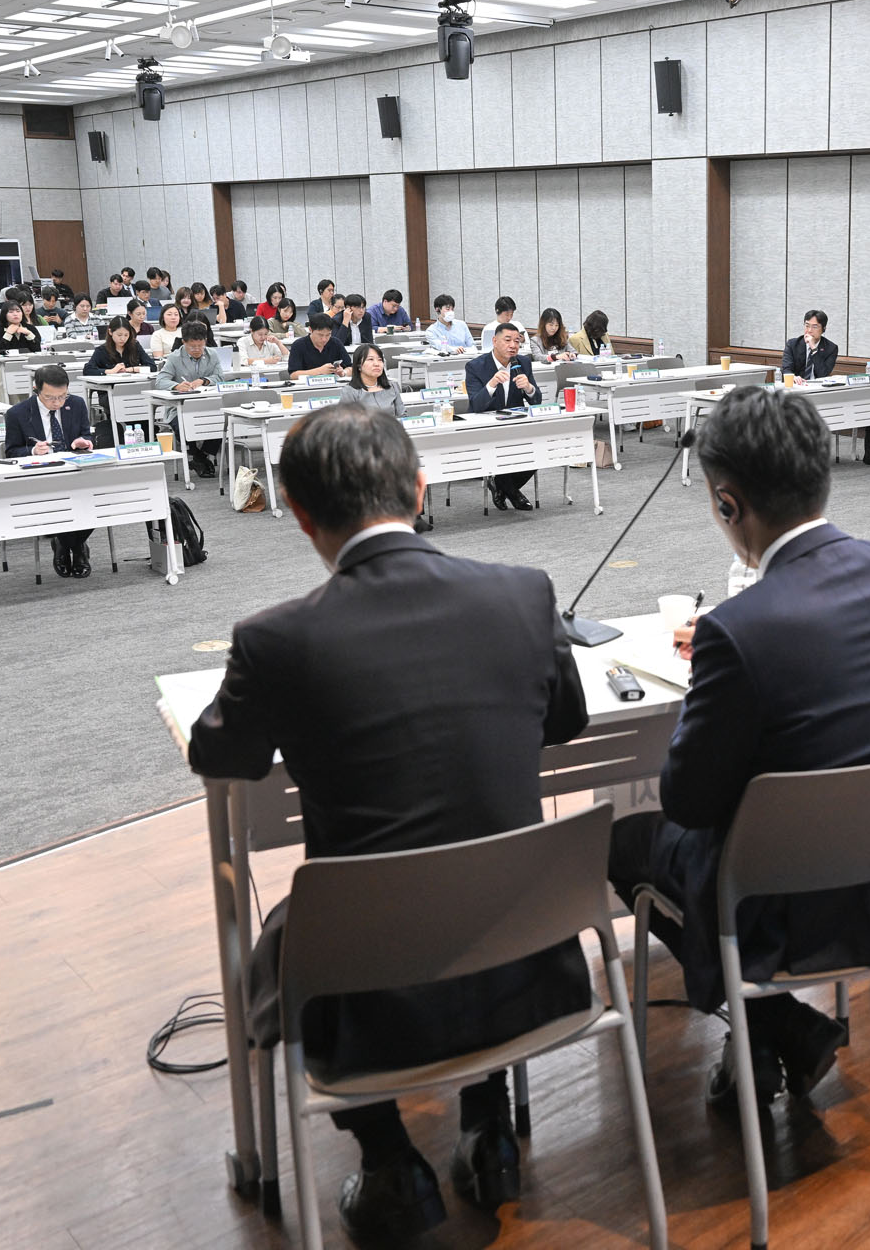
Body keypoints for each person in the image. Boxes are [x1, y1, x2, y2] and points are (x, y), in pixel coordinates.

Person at [189, 401, 591, 1244]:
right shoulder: (524, 594)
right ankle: (489, 1131)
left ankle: (390, 1162)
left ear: (299, 515)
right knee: (472, 873)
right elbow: (565, 721)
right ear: (420, 488)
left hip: (373, 991)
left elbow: (221, 754)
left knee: (276, 949)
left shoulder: (275, 641)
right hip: (530, 958)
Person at [605, 385, 870, 1109]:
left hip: (791, 904)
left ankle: (768, 1021)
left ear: (727, 504)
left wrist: (718, 678)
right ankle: (773, 1027)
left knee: (628, 843)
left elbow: (688, 801)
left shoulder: (738, 630)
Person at [3, 365, 97, 577]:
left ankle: (66, 544)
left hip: (75, 470)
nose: (57, 403)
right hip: (41, 476)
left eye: (62, 396)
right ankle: (77, 548)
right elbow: (11, 452)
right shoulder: (17, 413)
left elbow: (86, 435)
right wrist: (33, 451)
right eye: (50, 397)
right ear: (36, 389)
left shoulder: (76, 404)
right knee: (57, 500)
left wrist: (84, 442)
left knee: (96, 498)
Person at [464, 323, 541, 511]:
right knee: (499, 450)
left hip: (514, 425)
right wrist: (490, 385)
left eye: (517, 341)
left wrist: (529, 388)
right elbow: (475, 405)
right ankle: (513, 493)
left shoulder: (522, 363)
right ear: (494, 341)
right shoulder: (475, 366)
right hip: (486, 427)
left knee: (539, 449)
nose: (513, 345)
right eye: (507, 340)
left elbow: (536, 401)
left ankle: (499, 485)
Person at [158, 319, 226, 478]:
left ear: (205, 341)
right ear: (184, 342)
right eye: (192, 346)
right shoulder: (175, 358)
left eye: (200, 346)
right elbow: (160, 381)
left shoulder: (212, 354)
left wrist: (204, 380)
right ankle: (198, 456)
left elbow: (220, 377)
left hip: (206, 405)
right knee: (181, 425)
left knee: (222, 421)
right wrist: (176, 386)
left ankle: (200, 457)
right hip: (179, 408)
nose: (197, 350)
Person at [343, 343, 403, 417]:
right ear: (359, 366)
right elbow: (346, 421)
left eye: (380, 360)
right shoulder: (350, 391)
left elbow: (402, 415)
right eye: (370, 359)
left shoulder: (392, 386)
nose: (376, 364)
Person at [82, 318, 151, 377]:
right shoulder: (102, 350)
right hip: (110, 386)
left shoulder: (135, 346)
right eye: (119, 335)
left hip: (134, 385)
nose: (123, 339)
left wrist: (132, 369)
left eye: (126, 335)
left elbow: (152, 366)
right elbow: (88, 370)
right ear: (110, 332)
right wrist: (111, 371)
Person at [780, 309, 838, 380]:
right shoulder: (792, 344)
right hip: (797, 385)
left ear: (824, 329)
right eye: (807, 326)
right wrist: (793, 377)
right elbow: (786, 369)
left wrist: (814, 348)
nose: (809, 330)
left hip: (818, 385)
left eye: (815, 327)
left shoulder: (831, 348)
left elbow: (823, 374)